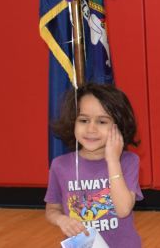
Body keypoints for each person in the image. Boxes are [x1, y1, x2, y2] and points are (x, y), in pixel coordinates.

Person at [45, 83, 144, 247]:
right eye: (83, 120)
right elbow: (52, 209)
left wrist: (112, 161)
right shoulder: (60, 166)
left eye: (102, 122)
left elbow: (123, 209)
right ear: (73, 122)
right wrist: (61, 220)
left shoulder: (128, 161)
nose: (91, 129)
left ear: (118, 126)